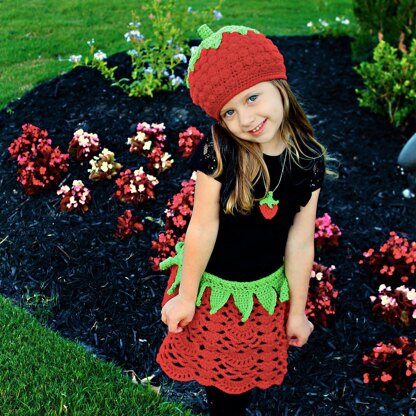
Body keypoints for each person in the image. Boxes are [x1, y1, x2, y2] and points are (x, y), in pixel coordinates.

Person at [157, 24, 328, 415]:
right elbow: (203, 225)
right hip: (213, 291)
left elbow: (301, 241)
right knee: (220, 385)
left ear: (278, 85)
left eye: (253, 98)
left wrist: (298, 312)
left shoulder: (307, 160)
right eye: (230, 111)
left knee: (241, 382)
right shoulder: (220, 150)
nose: (246, 118)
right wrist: (186, 295)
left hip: (262, 295)